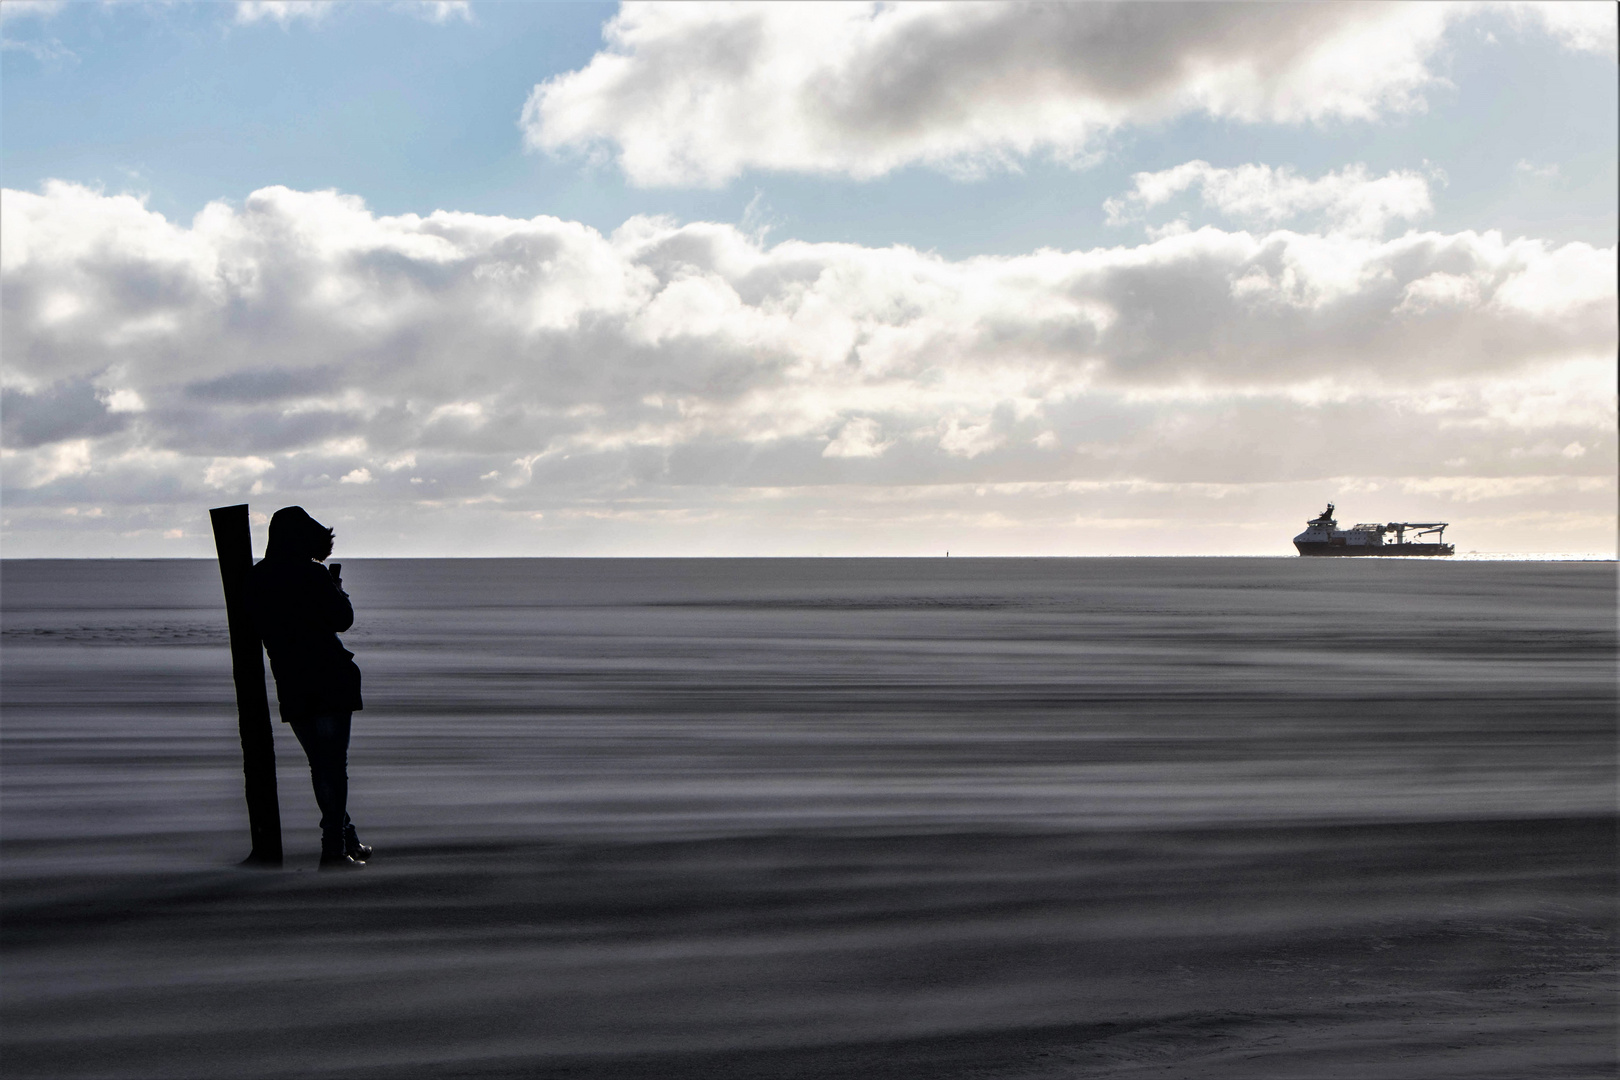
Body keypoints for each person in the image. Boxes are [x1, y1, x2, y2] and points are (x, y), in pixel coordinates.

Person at [246, 506, 370, 870]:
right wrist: (337, 590)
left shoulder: (256, 578)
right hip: (328, 677)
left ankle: (346, 838)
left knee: (322, 764)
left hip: (291, 678)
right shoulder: (314, 576)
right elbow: (342, 620)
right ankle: (333, 847)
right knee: (333, 765)